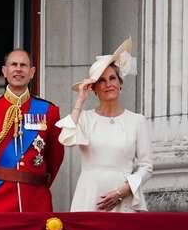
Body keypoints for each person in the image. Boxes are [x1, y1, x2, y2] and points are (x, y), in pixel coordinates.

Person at [56, 39, 152, 212]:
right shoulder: (85, 118)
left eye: (112, 78)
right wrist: (80, 100)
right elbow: (65, 138)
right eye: (101, 80)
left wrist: (123, 191)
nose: (108, 84)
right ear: (94, 88)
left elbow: (146, 166)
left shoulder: (137, 121)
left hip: (124, 198)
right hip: (89, 195)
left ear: (120, 83)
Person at [0, 49, 64, 212]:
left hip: (36, 201)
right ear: (4, 71)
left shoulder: (49, 111)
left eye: (23, 65)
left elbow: (55, 156)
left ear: (32, 72)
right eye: (13, 64)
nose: (18, 69)